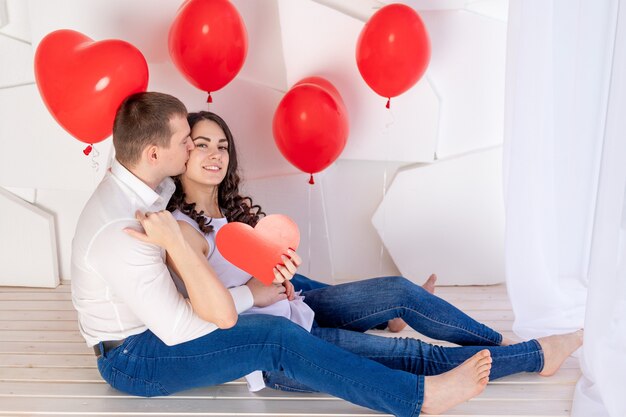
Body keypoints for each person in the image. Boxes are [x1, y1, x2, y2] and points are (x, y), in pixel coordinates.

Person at [71, 91, 500, 416]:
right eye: (188, 142)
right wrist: (251, 295)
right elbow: (180, 328)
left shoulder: (144, 181)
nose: (194, 151)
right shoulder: (123, 229)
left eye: (209, 144)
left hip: (164, 320)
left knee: (295, 289)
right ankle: (417, 399)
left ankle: (401, 319)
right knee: (273, 337)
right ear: (153, 154)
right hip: (135, 355)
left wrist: (263, 282)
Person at [163, 110, 583, 394]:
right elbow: (208, 310)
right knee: (414, 356)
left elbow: (261, 276)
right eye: (201, 144)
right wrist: (260, 292)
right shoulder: (183, 230)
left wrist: (281, 279)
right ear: (182, 154)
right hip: (284, 352)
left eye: (221, 145)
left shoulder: (228, 214)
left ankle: (498, 342)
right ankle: (535, 355)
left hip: (299, 311)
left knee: (398, 290)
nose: (215, 154)